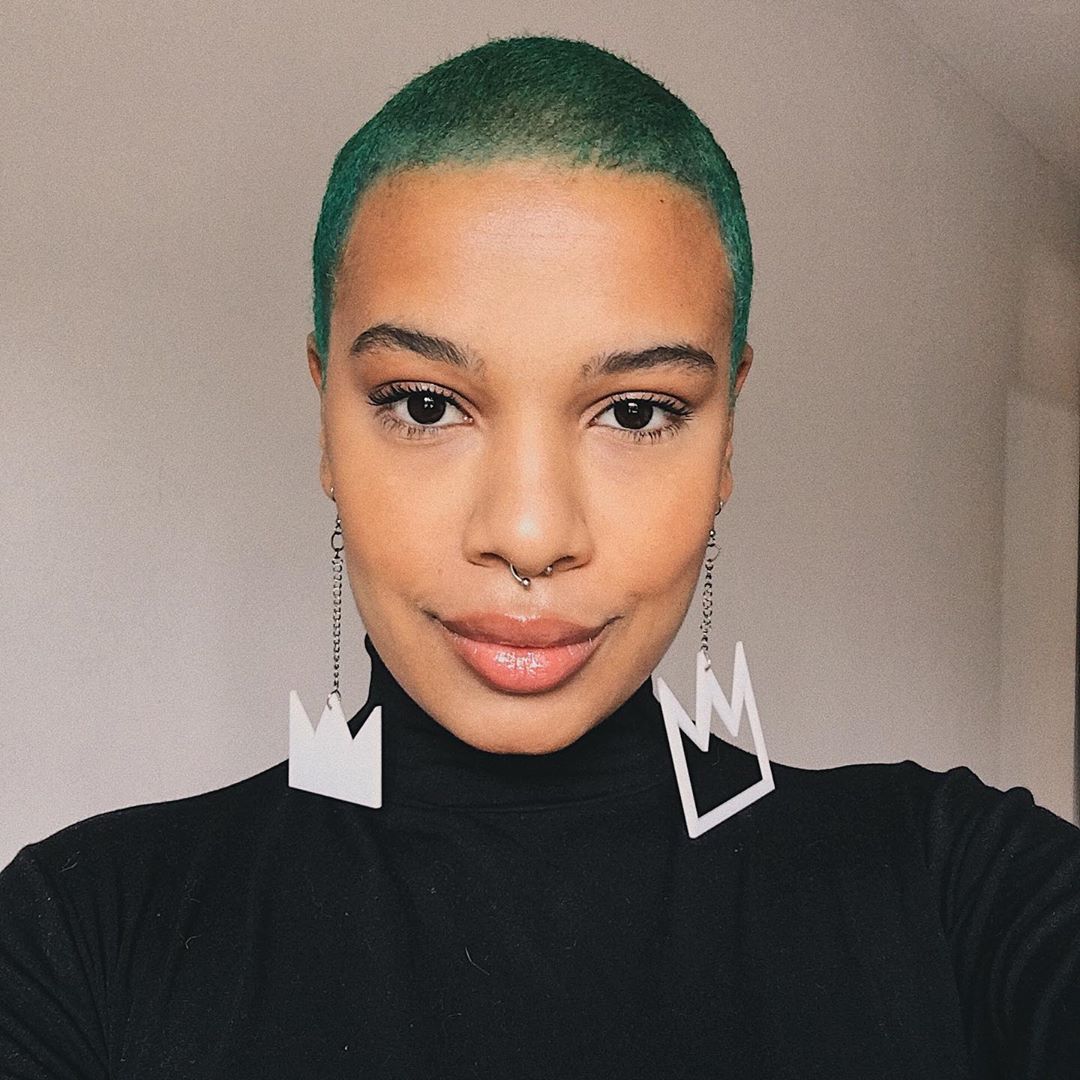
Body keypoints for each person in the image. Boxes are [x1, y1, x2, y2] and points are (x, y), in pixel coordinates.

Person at [1, 33, 1078, 1080]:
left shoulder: (958, 886)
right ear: (326, 419)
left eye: (638, 411)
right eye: (425, 405)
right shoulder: (81, 936)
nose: (529, 534)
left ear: (726, 439)